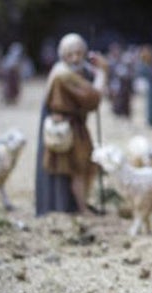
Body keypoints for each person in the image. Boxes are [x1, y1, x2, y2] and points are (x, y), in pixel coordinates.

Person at [35, 32, 108, 216]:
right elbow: (93, 98)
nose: (75, 58)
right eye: (70, 54)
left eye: (79, 53)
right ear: (63, 55)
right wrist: (102, 74)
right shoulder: (64, 75)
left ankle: (78, 205)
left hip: (75, 126)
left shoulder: (70, 71)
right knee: (78, 168)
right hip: (68, 129)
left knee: (83, 168)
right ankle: (81, 208)